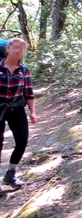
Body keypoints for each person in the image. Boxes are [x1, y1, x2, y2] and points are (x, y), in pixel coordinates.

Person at [0, 38, 37, 192]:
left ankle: (11, 174)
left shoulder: (24, 69)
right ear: (7, 49)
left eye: (21, 49)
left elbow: (29, 92)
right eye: (15, 47)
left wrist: (33, 112)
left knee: (22, 142)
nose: (18, 51)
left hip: (17, 109)